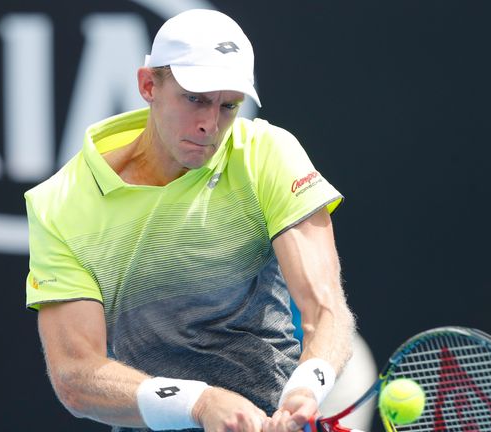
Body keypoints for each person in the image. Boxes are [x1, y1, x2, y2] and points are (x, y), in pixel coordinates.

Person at [25, 9, 355, 432]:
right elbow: (76, 376)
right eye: (195, 99)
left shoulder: (267, 153)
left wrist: (307, 387)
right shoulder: (61, 203)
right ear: (148, 85)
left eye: (228, 105)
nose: (210, 125)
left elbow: (327, 310)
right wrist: (199, 402)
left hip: (272, 409)